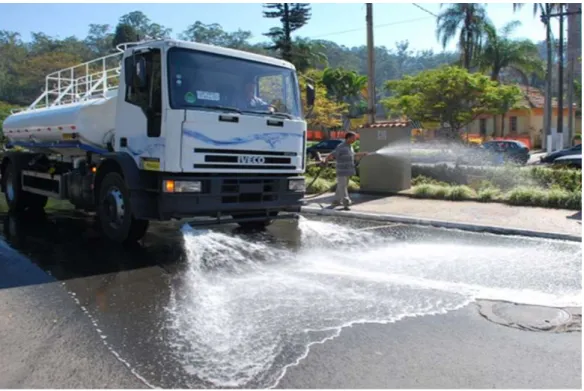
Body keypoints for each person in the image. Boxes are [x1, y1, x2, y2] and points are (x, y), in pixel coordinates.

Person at [321, 132, 368, 210]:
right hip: (342, 170)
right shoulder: (341, 146)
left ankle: (336, 201)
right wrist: (325, 160)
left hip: (348, 170)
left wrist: (362, 154)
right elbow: (332, 154)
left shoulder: (350, 147)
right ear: (348, 138)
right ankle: (346, 202)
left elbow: (353, 155)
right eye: (353, 138)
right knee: (343, 186)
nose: (355, 140)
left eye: (355, 138)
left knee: (342, 186)